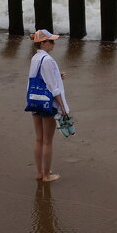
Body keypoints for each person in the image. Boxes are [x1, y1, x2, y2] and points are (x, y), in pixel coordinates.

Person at [25, 29, 70, 183]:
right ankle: (46, 175)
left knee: (38, 139)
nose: (53, 44)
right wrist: (62, 107)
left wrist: (59, 75)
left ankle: (39, 172)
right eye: (51, 41)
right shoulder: (48, 60)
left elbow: (35, 79)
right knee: (47, 141)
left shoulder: (35, 58)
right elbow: (53, 87)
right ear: (43, 43)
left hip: (35, 101)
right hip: (48, 103)